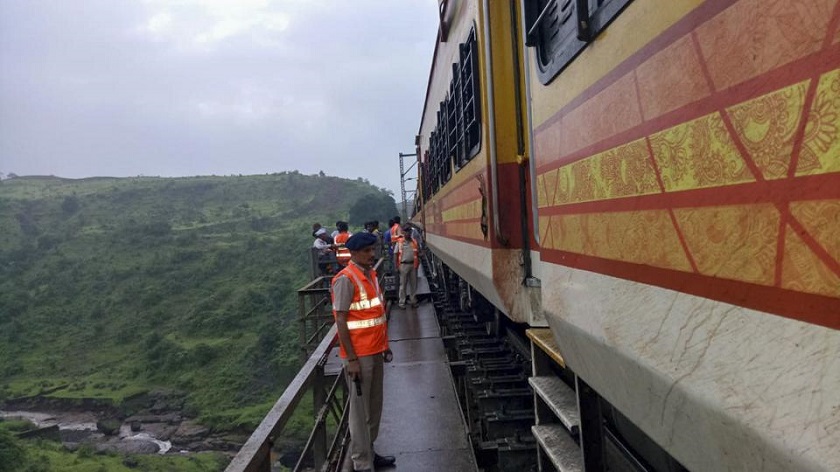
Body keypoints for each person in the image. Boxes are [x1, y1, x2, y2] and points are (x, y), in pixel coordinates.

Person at [331, 233, 396, 472]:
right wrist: (351, 359)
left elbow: (376, 315)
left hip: (376, 350)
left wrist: (385, 345)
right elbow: (340, 319)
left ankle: (370, 451)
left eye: (373, 250)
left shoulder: (370, 275)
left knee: (375, 406)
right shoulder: (345, 279)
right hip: (360, 356)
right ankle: (361, 463)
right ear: (355, 253)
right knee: (359, 413)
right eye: (368, 251)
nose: (372, 255)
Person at [394, 225, 420, 308]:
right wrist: (396, 266)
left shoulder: (414, 242)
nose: (408, 233)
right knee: (403, 285)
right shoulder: (400, 242)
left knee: (414, 284)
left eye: (409, 231)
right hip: (403, 265)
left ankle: (413, 300)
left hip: (413, 265)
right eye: (406, 231)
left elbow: (417, 253)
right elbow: (395, 254)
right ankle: (402, 302)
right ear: (403, 232)